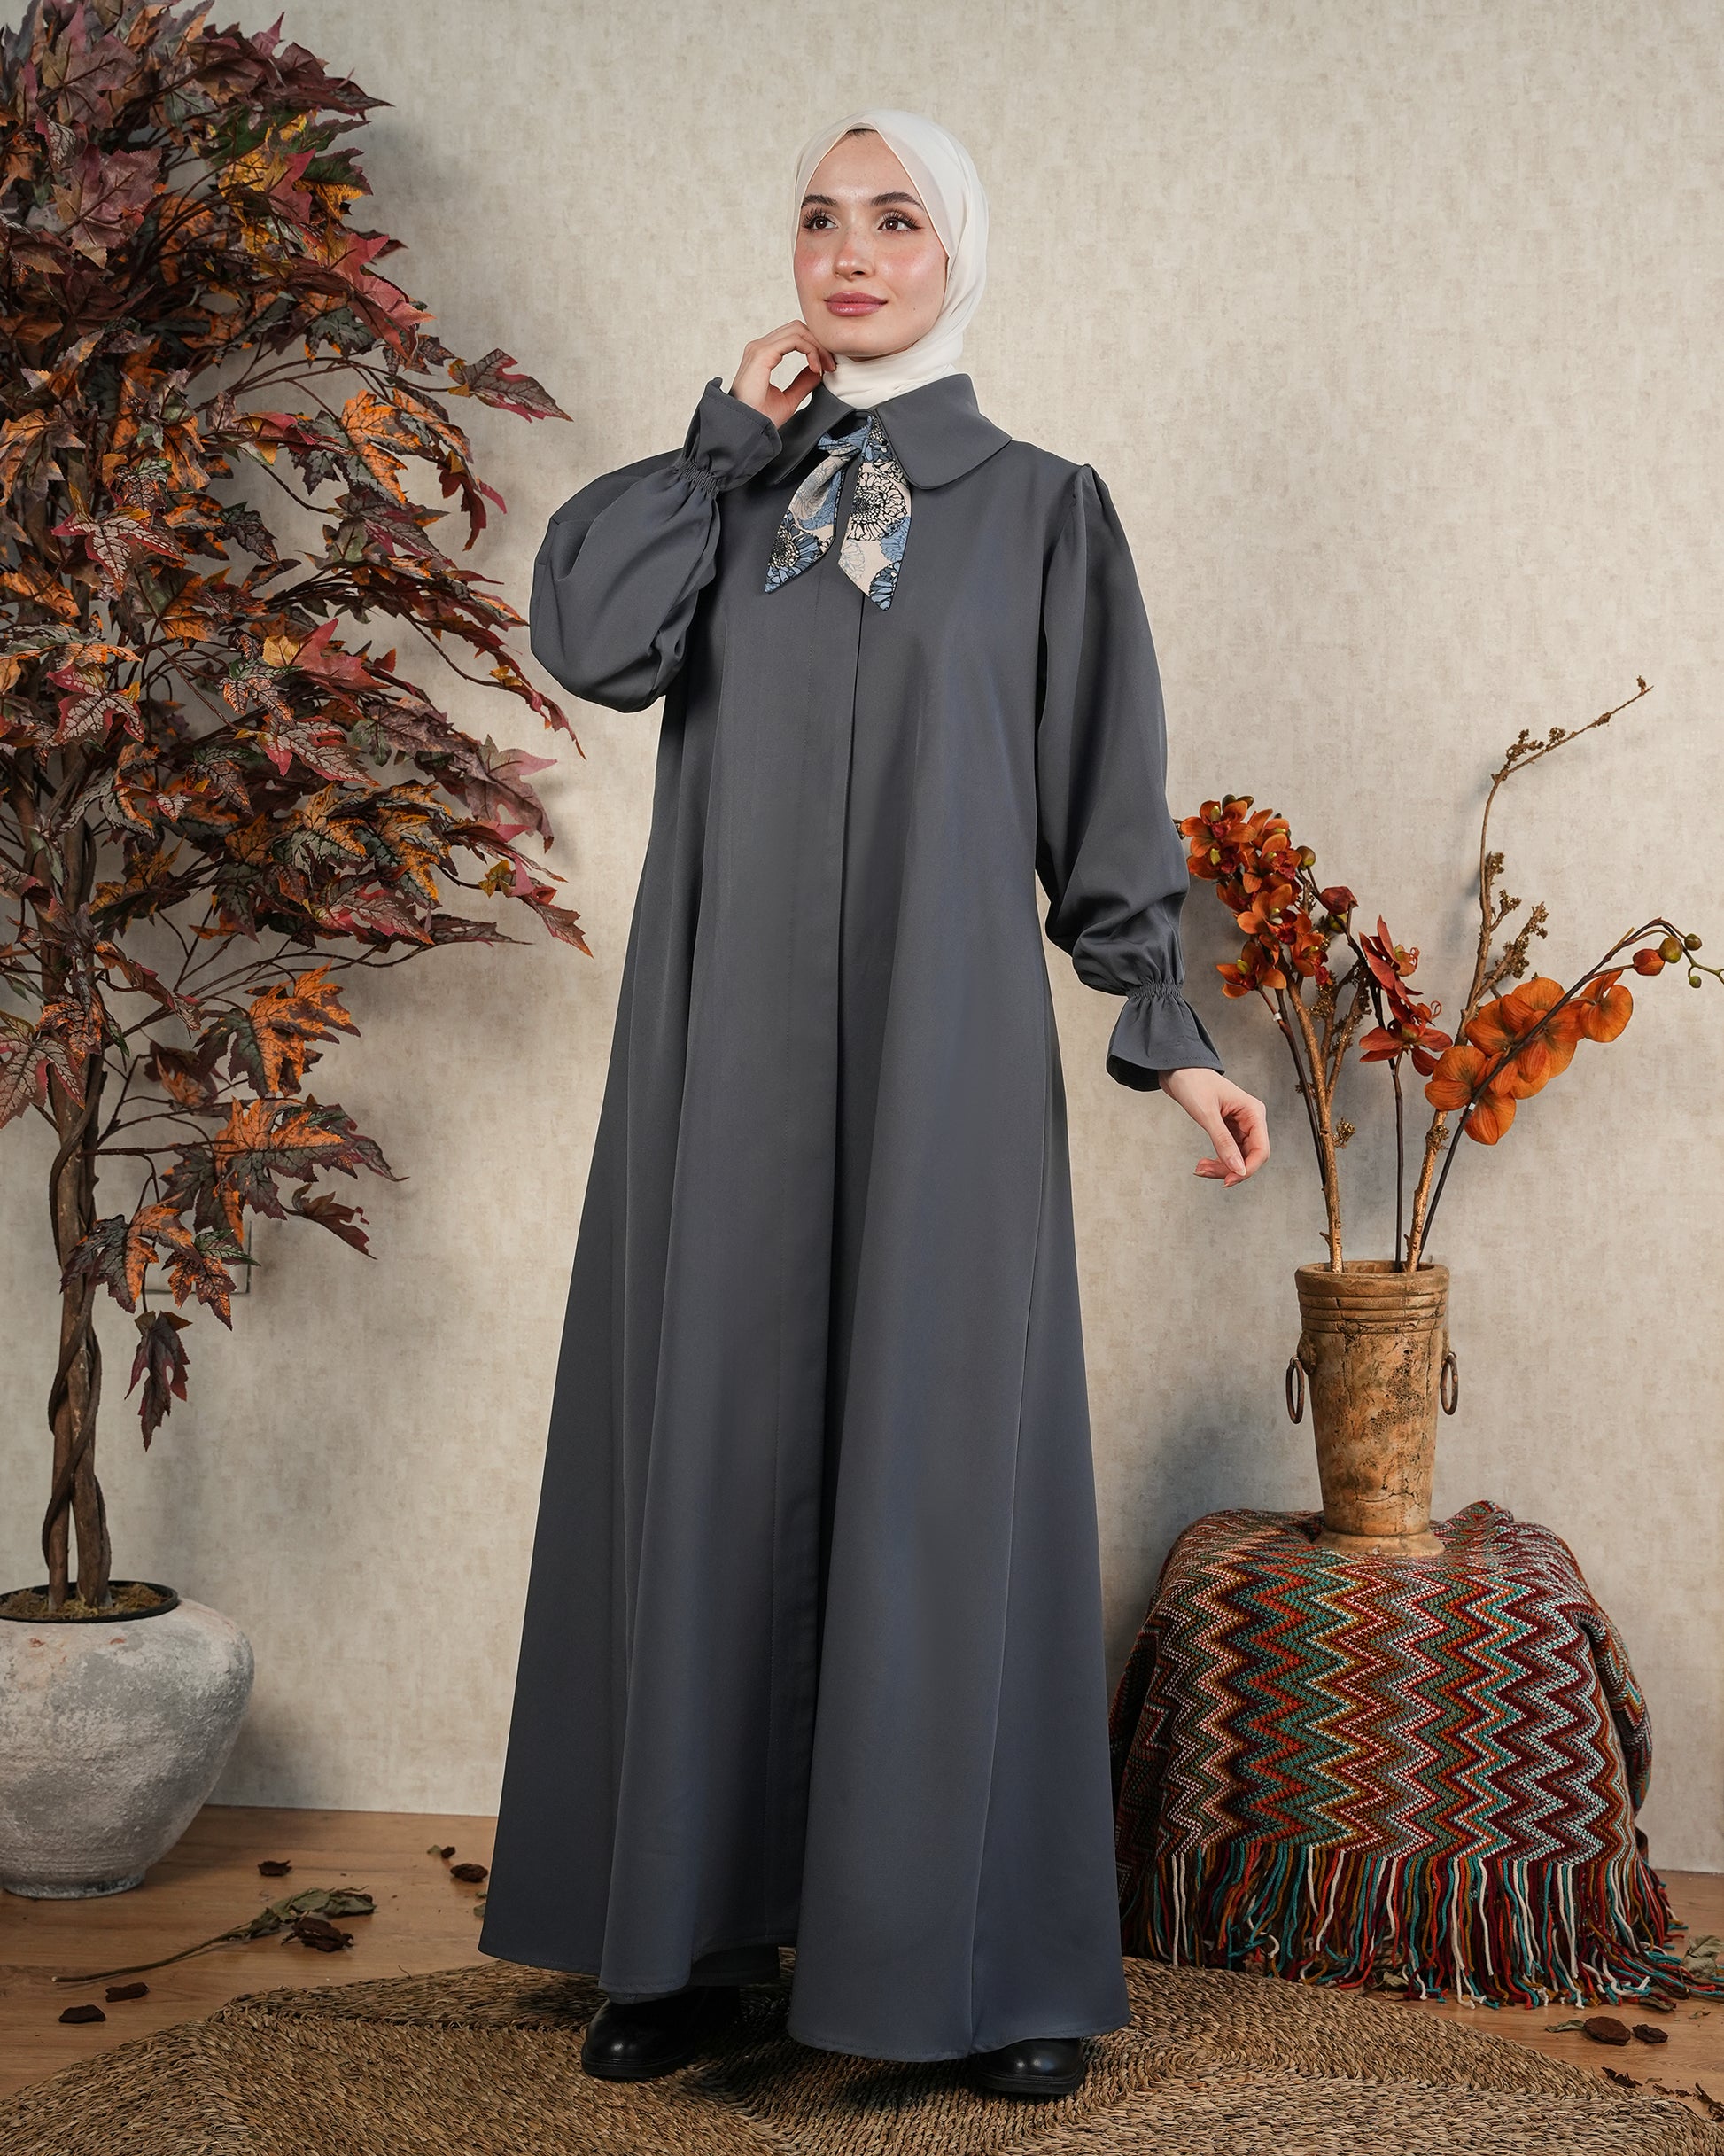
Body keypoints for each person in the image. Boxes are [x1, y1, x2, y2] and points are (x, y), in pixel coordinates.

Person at [477, 107, 1270, 2100]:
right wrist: (715, 448)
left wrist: (1168, 1028)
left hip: (943, 1061)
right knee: (712, 1449)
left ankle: (983, 1965)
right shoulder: (719, 497)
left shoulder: (1044, 512)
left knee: (939, 1468)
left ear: (956, 251)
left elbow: (1102, 796)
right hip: (720, 1056)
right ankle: (680, 1938)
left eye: (894, 218)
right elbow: (586, 639)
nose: (849, 252)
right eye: (820, 218)